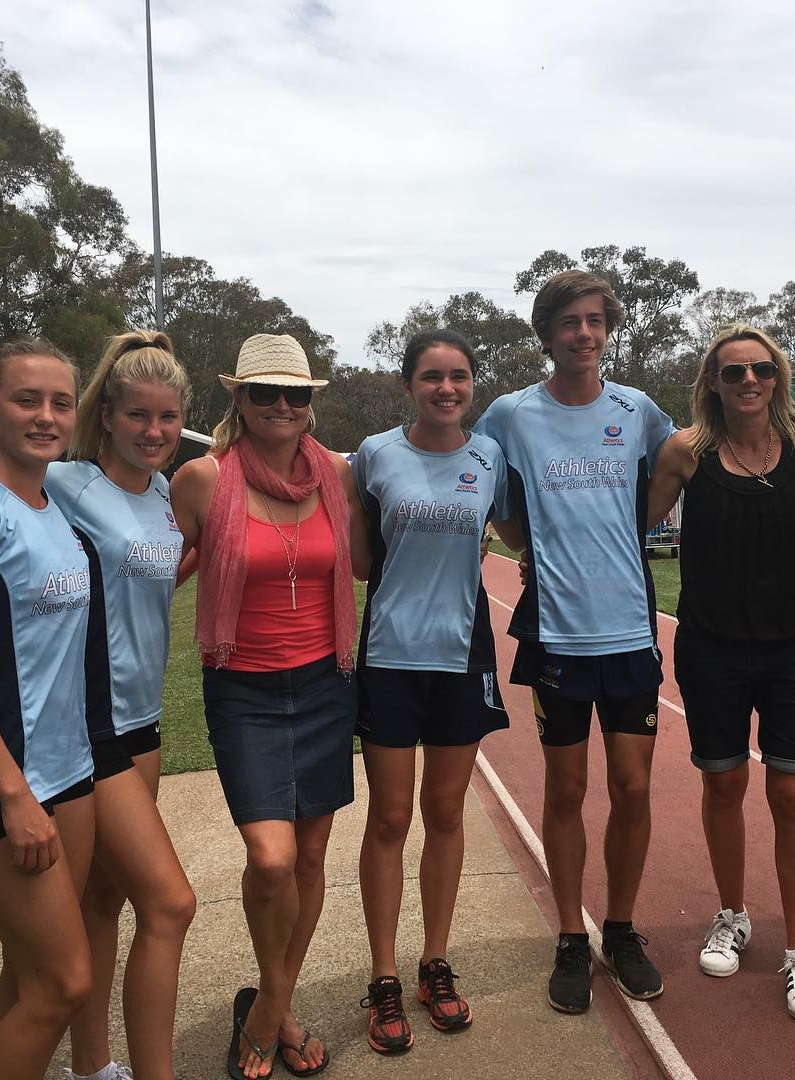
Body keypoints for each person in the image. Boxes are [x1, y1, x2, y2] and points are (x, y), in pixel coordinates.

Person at [475, 270, 675, 1014]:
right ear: (547, 333)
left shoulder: (638, 409)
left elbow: (680, 466)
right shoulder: (511, 414)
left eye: (595, 320)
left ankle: (620, 929)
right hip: (557, 634)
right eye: (569, 322)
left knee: (633, 789)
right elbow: (491, 495)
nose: (584, 334)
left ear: (608, 329)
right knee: (566, 790)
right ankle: (569, 935)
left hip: (629, 632)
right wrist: (528, 543)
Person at [171, 333, 367, 1079]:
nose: (282, 405)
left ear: (310, 402)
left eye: (296, 393)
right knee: (272, 856)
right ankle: (274, 1006)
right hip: (243, 688)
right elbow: (158, 565)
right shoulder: (202, 480)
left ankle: (270, 1005)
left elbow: (363, 558)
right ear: (240, 399)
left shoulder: (336, 475)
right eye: (265, 392)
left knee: (310, 857)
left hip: (325, 683)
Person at [651, 324, 795, 1021]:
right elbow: (626, 524)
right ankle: (732, 915)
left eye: (761, 368)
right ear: (713, 383)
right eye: (733, 372)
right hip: (712, 647)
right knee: (723, 784)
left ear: (778, 376)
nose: (749, 380)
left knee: (793, 794)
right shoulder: (686, 452)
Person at [354, 329, 520, 1052]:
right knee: (390, 818)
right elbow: (361, 559)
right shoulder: (375, 454)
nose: (446, 389)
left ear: (472, 384)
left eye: (458, 376)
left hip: (462, 654)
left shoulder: (490, 458)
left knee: (446, 812)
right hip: (390, 655)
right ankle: (384, 974)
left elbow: (514, 532)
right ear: (408, 385)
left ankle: (434, 962)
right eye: (431, 376)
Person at [43, 330, 197, 1080]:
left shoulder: (167, 495)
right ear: (104, 415)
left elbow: (153, 578)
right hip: (83, 722)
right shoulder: (64, 485)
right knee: (166, 902)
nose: (153, 431)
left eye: (167, 417)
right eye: (138, 414)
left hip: (141, 719)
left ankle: (93, 1067)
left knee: (102, 898)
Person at [0, 339, 95, 1080]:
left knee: (29, 973)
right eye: (25, 400)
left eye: (60, 403)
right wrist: (13, 794)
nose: (45, 416)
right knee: (64, 983)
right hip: (2, 777)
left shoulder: (50, 507)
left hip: (68, 768)